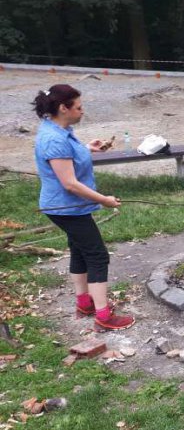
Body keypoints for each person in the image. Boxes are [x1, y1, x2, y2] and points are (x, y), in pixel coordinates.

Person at [32, 84, 135, 332]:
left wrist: (87, 149)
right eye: (78, 107)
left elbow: (67, 157)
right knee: (98, 255)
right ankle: (103, 316)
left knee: (80, 250)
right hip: (65, 207)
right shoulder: (54, 139)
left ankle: (84, 303)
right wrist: (103, 199)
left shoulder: (60, 129)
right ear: (63, 108)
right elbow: (69, 183)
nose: (82, 111)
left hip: (70, 207)